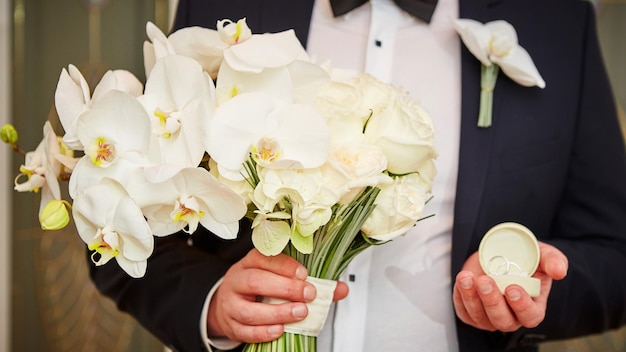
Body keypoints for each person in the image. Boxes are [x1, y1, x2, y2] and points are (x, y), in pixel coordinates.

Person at [89, 0, 626, 351]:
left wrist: (539, 292)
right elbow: (123, 225)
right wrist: (211, 302)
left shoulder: (555, 20)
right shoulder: (226, 11)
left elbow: (614, 255)